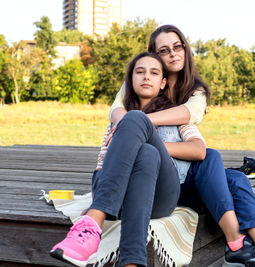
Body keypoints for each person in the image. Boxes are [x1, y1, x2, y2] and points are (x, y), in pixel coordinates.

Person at [108, 25, 255, 267]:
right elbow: (116, 109)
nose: (173, 53)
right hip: (160, 182)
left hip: (184, 174)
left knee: (234, 177)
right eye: (164, 50)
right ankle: (237, 242)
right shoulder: (141, 82)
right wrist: (130, 127)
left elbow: (188, 116)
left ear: (184, 48)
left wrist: (140, 122)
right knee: (213, 159)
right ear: (154, 55)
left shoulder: (194, 91)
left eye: (177, 46)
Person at [50, 52, 206, 267]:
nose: (146, 77)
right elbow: (103, 165)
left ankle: (93, 222)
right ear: (130, 81)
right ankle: (132, 262)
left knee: (144, 137)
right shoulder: (118, 118)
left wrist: (154, 140)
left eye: (153, 73)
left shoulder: (176, 115)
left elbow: (199, 150)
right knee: (147, 154)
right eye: (139, 72)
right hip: (117, 198)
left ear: (163, 83)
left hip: (161, 195)